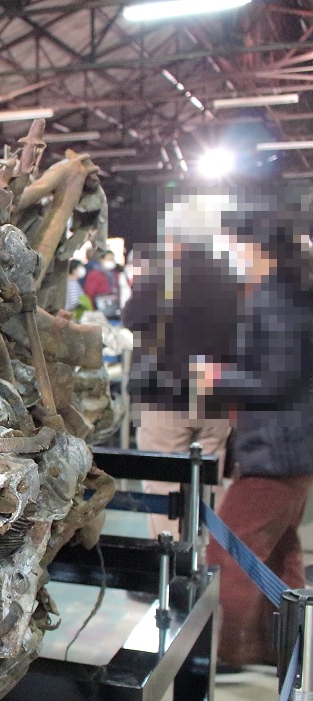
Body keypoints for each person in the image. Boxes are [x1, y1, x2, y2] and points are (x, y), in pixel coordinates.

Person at [195, 191, 313, 670]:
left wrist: (217, 378)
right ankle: (280, 646)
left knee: (228, 550)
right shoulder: (291, 292)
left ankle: (229, 650)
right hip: (292, 451)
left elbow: (277, 377)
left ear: (253, 244)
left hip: (274, 452)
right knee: (281, 552)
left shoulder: (274, 297)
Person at [122, 199, 242, 539]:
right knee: (209, 487)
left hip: (165, 398)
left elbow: (132, 318)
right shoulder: (231, 279)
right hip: (216, 399)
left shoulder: (163, 276)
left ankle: (172, 565)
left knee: (164, 490)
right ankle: (207, 558)